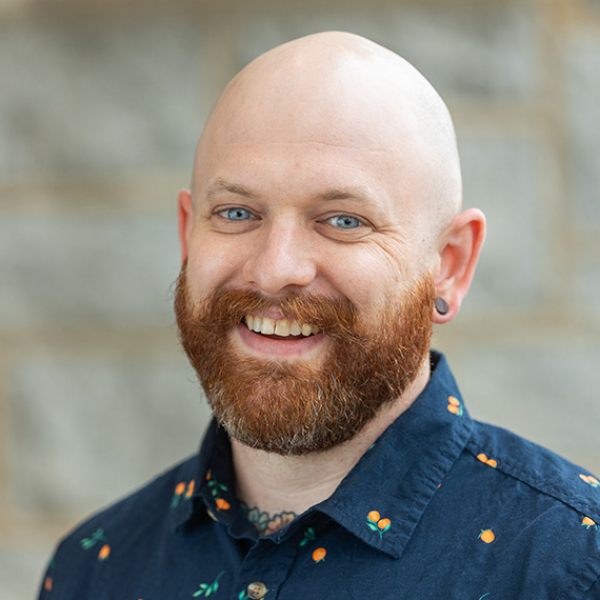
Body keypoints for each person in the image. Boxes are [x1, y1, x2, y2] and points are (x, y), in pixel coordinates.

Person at [39, 31, 600, 599]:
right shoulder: (93, 571)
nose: (274, 270)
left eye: (343, 220)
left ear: (449, 265)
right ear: (188, 237)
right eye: (237, 213)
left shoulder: (574, 567)